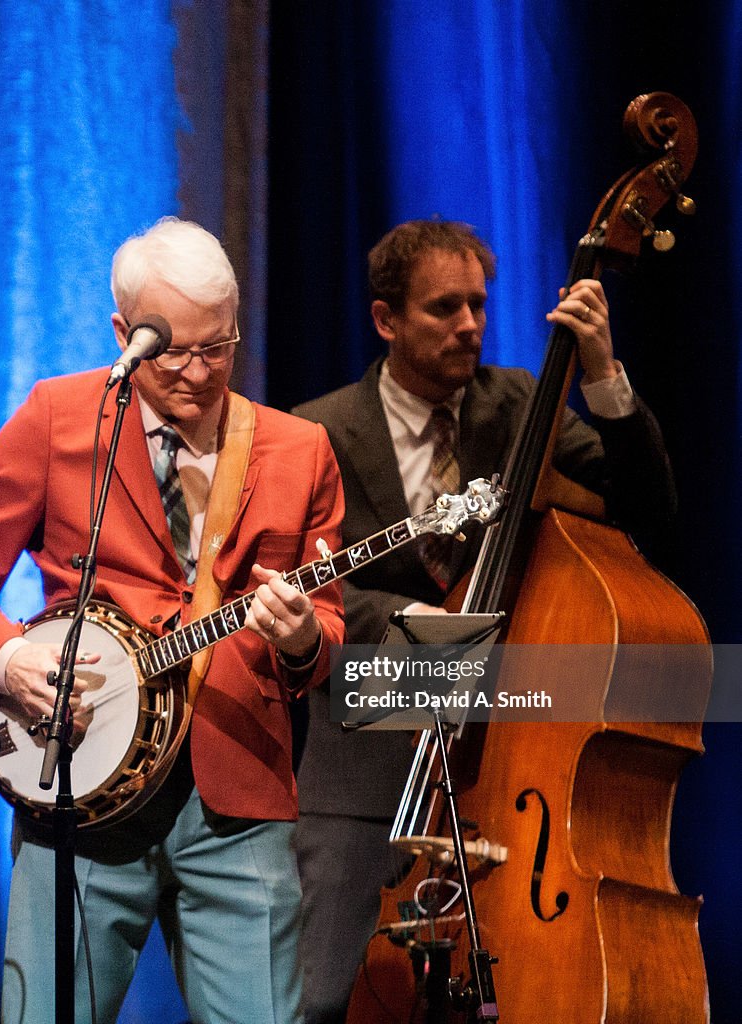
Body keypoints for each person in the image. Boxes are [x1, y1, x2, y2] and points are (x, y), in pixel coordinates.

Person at [0, 217, 345, 1024]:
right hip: (78, 785)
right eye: (172, 349)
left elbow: (325, 626)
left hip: (236, 801)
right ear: (124, 332)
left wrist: (301, 640)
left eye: (217, 347)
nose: (196, 371)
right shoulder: (59, 419)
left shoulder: (299, 449)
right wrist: (10, 663)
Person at [290, 218, 676, 1023]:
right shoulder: (316, 430)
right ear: (385, 319)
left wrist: (602, 374)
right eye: (443, 309)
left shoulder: (522, 405)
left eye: (477, 305)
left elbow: (650, 506)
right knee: (325, 999)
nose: (469, 325)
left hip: (500, 764)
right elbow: (307, 586)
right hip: (366, 747)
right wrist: (425, 625)